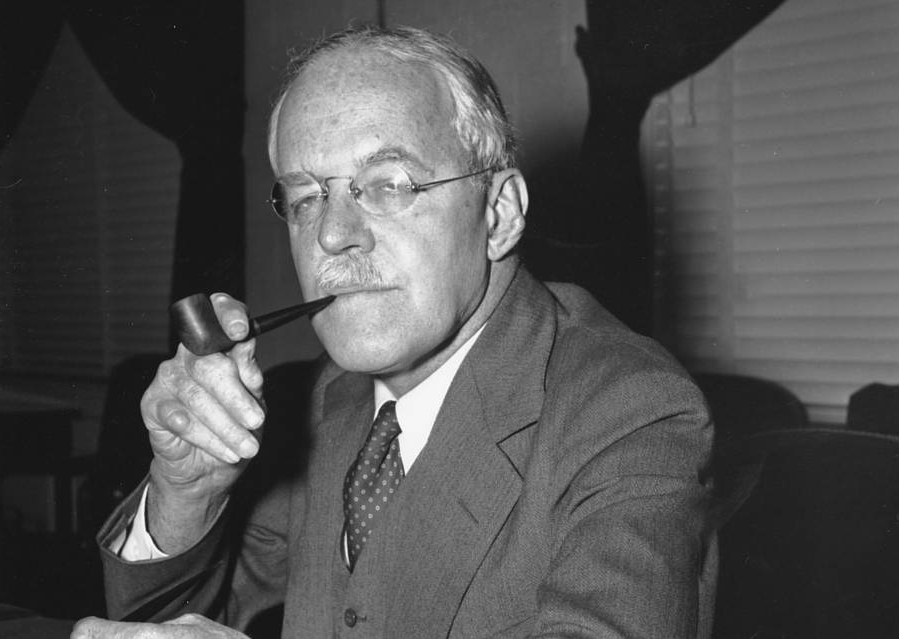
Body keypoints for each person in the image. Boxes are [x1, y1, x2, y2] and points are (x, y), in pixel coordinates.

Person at [72, 25, 715, 639]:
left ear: (499, 214)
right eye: (304, 198)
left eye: (388, 184)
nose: (330, 234)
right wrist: (189, 492)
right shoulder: (324, 405)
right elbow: (172, 623)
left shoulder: (631, 411)